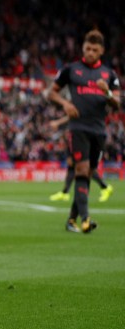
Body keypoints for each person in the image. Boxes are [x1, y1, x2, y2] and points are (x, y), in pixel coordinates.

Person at [46, 29, 120, 233]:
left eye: (94, 50)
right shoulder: (71, 70)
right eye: (87, 48)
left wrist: (106, 92)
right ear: (83, 48)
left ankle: (71, 221)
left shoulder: (109, 75)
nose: (90, 53)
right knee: (81, 169)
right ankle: (86, 220)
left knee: (87, 173)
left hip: (99, 130)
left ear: (101, 51)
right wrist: (65, 104)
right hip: (78, 128)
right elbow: (50, 93)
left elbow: (117, 105)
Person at [46, 115, 114, 203]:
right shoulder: (76, 122)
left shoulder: (88, 114)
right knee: (72, 167)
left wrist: (58, 122)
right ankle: (65, 192)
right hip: (81, 141)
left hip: (91, 142)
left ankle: (104, 187)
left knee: (88, 169)